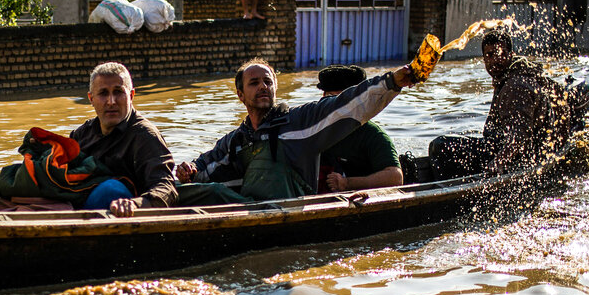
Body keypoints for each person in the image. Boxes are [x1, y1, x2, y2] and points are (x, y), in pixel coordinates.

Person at [175, 58, 415, 201]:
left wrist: (392, 82)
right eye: (254, 83)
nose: (263, 87)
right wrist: (189, 172)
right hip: (250, 208)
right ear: (240, 95)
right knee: (185, 191)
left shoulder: (299, 121)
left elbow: (349, 105)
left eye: (268, 82)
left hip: (288, 209)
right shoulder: (237, 140)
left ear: (275, 89)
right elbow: (206, 166)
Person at [0, 62, 177, 217]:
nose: (111, 101)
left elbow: (166, 188)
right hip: (75, 203)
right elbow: (49, 170)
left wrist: (134, 204)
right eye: (103, 93)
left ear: (130, 96)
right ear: (91, 99)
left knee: (110, 189)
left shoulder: (144, 135)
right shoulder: (84, 133)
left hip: (116, 210)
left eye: (118, 92)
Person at [429, 27, 573, 179]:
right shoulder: (512, 75)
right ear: (484, 59)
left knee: (440, 147)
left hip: (517, 157)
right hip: (508, 148)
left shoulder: (516, 86)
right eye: (489, 55)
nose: (494, 60)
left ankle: (448, 187)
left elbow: (520, 135)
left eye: (501, 54)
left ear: (511, 55)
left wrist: (499, 161)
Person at [316, 65, 403, 192]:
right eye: (326, 98)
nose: (330, 107)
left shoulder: (372, 135)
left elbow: (395, 177)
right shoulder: (315, 129)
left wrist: (348, 183)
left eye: (336, 100)